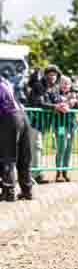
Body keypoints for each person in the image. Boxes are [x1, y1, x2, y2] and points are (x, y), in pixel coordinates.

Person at [0, 73, 33, 201]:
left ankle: (9, 191)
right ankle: (27, 190)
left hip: (9, 118)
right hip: (22, 116)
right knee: (24, 157)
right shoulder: (5, 81)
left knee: (8, 156)